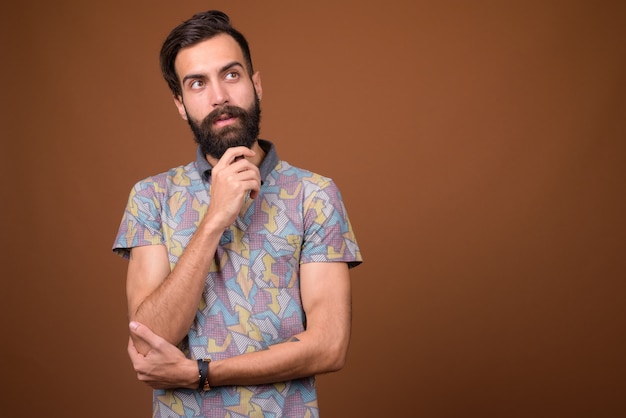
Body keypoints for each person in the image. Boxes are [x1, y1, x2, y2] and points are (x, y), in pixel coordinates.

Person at [112, 9, 362, 418]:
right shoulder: (151, 197)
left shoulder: (314, 195)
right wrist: (214, 219)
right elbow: (148, 340)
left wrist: (201, 373)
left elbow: (330, 345)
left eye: (231, 75)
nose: (219, 97)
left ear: (255, 83)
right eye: (197, 83)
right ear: (180, 103)